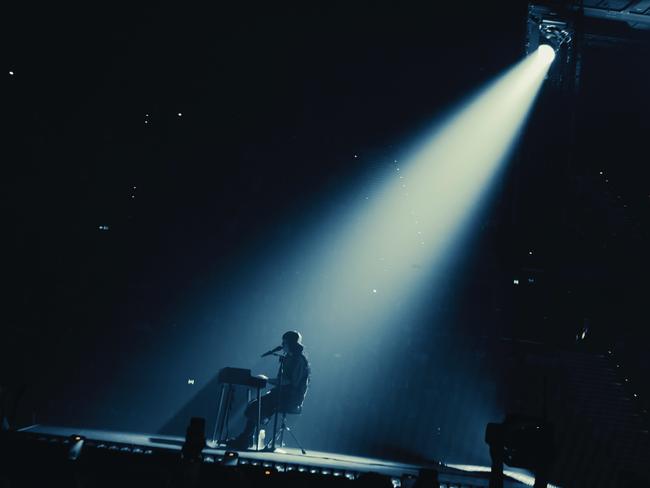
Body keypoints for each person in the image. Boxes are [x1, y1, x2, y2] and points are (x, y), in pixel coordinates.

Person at [228, 330, 310, 450]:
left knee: (258, 405)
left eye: (284, 342)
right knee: (255, 404)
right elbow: (282, 379)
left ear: (291, 343)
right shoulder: (288, 357)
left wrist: (267, 380)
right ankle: (246, 438)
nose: (282, 344)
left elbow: (290, 381)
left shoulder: (298, 360)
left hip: (292, 397)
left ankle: (245, 439)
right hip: (282, 393)